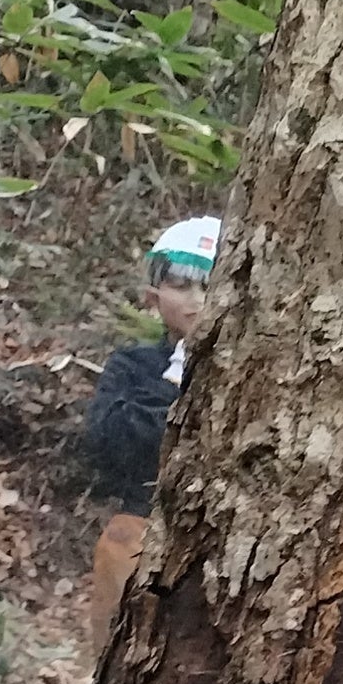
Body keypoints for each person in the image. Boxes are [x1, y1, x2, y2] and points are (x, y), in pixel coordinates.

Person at [81, 215, 219, 638]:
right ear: (153, 297)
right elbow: (102, 442)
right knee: (120, 542)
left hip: (223, 531)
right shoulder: (133, 366)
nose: (197, 299)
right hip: (143, 520)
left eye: (209, 285)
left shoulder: (256, 363)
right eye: (181, 285)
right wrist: (173, 393)